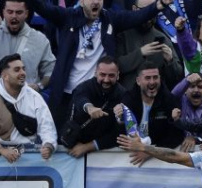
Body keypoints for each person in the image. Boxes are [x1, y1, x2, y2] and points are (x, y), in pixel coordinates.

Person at [28, 0, 172, 126]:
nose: (95, 2)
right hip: (65, 94)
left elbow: (136, 16)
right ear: (82, 1)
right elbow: (43, 8)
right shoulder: (68, 16)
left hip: (94, 93)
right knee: (61, 137)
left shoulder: (110, 19)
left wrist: (158, 5)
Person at [0, 54, 57, 162]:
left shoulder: (35, 97)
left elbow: (47, 126)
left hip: (32, 157)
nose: (22, 73)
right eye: (17, 70)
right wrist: (2, 150)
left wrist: (48, 146)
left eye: (23, 69)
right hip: (0, 160)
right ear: (4, 76)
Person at [0, 0, 55, 98]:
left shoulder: (40, 40)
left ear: (26, 14)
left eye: (19, 12)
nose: (14, 16)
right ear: (3, 12)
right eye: (10, 12)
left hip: (27, 102)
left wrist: (39, 86)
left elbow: (51, 71)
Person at [63, 56, 125, 157]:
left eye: (111, 76)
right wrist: (89, 108)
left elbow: (119, 135)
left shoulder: (122, 95)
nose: (106, 80)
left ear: (118, 75)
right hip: (71, 146)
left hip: (103, 153)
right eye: (102, 75)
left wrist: (88, 147)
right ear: (95, 73)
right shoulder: (84, 87)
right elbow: (80, 99)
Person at [114, 0, 182, 90]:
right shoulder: (122, 34)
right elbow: (116, 67)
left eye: (153, 10)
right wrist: (140, 53)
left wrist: (170, 61)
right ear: (134, 9)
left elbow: (177, 76)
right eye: (145, 10)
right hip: (127, 97)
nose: (149, 15)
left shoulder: (162, 37)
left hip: (156, 98)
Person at [120, 62, 183, 158]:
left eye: (155, 77)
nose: (152, 82)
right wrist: (119, 117)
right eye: (147, 78)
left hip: (159, 159)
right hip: (127, 158)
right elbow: (120, 131)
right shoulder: (128, 98)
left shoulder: (169, 100)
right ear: (138, 81)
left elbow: (176, 135)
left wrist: (150, 152)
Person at [170, 72, 202, 152]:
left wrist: (195, 138)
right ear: (185, 90)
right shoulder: (180, 101)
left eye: (200, 87)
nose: (196, 90)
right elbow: (173, 95)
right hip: (179, 149)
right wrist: (186, 81)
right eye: (192, 86)